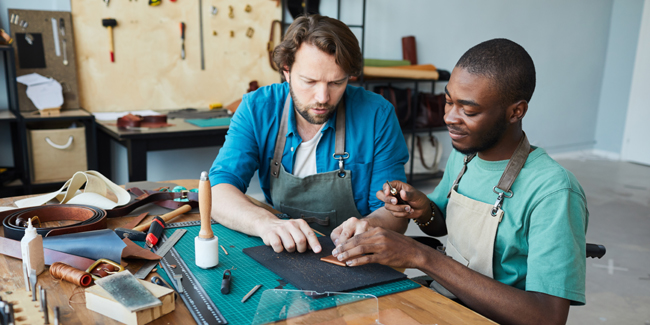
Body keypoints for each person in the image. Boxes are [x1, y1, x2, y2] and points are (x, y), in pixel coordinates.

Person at [331, 39, 588, 324]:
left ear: (516, 111)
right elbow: (443, 226)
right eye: (449, 101)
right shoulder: (464, 156)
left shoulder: (553, 191)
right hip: (445, 296)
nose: (449, 117)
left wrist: (420, 256)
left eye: (469, 110)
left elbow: (546, 317)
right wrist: (424, 209)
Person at [209, 15, 409, 255]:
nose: (323, 97)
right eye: (309, 81)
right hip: (283, 253)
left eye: (336, 83)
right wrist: (265, 223)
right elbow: (217, 191)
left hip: (354, 255)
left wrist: (371, 225)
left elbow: (394, 213)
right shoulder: (257, 109)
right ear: (287, 71)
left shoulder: (377, 115)